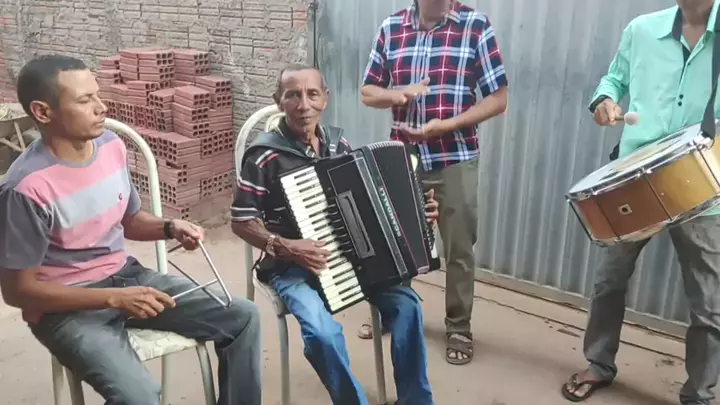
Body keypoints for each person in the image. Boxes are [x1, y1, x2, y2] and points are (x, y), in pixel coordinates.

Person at [0, 55, 262, 405]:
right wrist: (112, 299)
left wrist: (170, 227)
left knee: (243, 317)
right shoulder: (25, 189)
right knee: (139, 396)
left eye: (97, 94)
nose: (101, 107)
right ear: (43, 112)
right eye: (84, 100)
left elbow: (130, 220)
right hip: (66, 309)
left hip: (126, 279)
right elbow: (18, 292)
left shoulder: (111, 146)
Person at [231, 64, 438, 405]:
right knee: (323, 333)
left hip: (352, 259)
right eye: (293, 95)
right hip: (291, 267)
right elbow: (241, 221)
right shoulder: (263, 155)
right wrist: (287, 246)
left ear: (325, 99)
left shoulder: (337, 143)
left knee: (408, 307)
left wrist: (417, 211)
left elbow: (367, 206)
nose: (304, 104)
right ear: (278, 101)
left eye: (312, 94)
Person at [561, 1, 720, 404]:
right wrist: (604, 101)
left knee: (709, 303)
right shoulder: (642, 29)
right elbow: (612, 81)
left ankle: (699, 394)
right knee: (608, 281)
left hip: (702, 186)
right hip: (634, 181)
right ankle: (599, 364)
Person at [359, 0, 508, 365]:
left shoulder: (475, 26)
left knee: (459, 247)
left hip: (454, 157)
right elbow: (368, 91)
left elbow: (498, 98)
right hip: (402, 157)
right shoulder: (392, 28)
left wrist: (448, 125)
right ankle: (394, 312)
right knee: (397, 240)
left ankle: (458, 326)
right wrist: (398, 94)